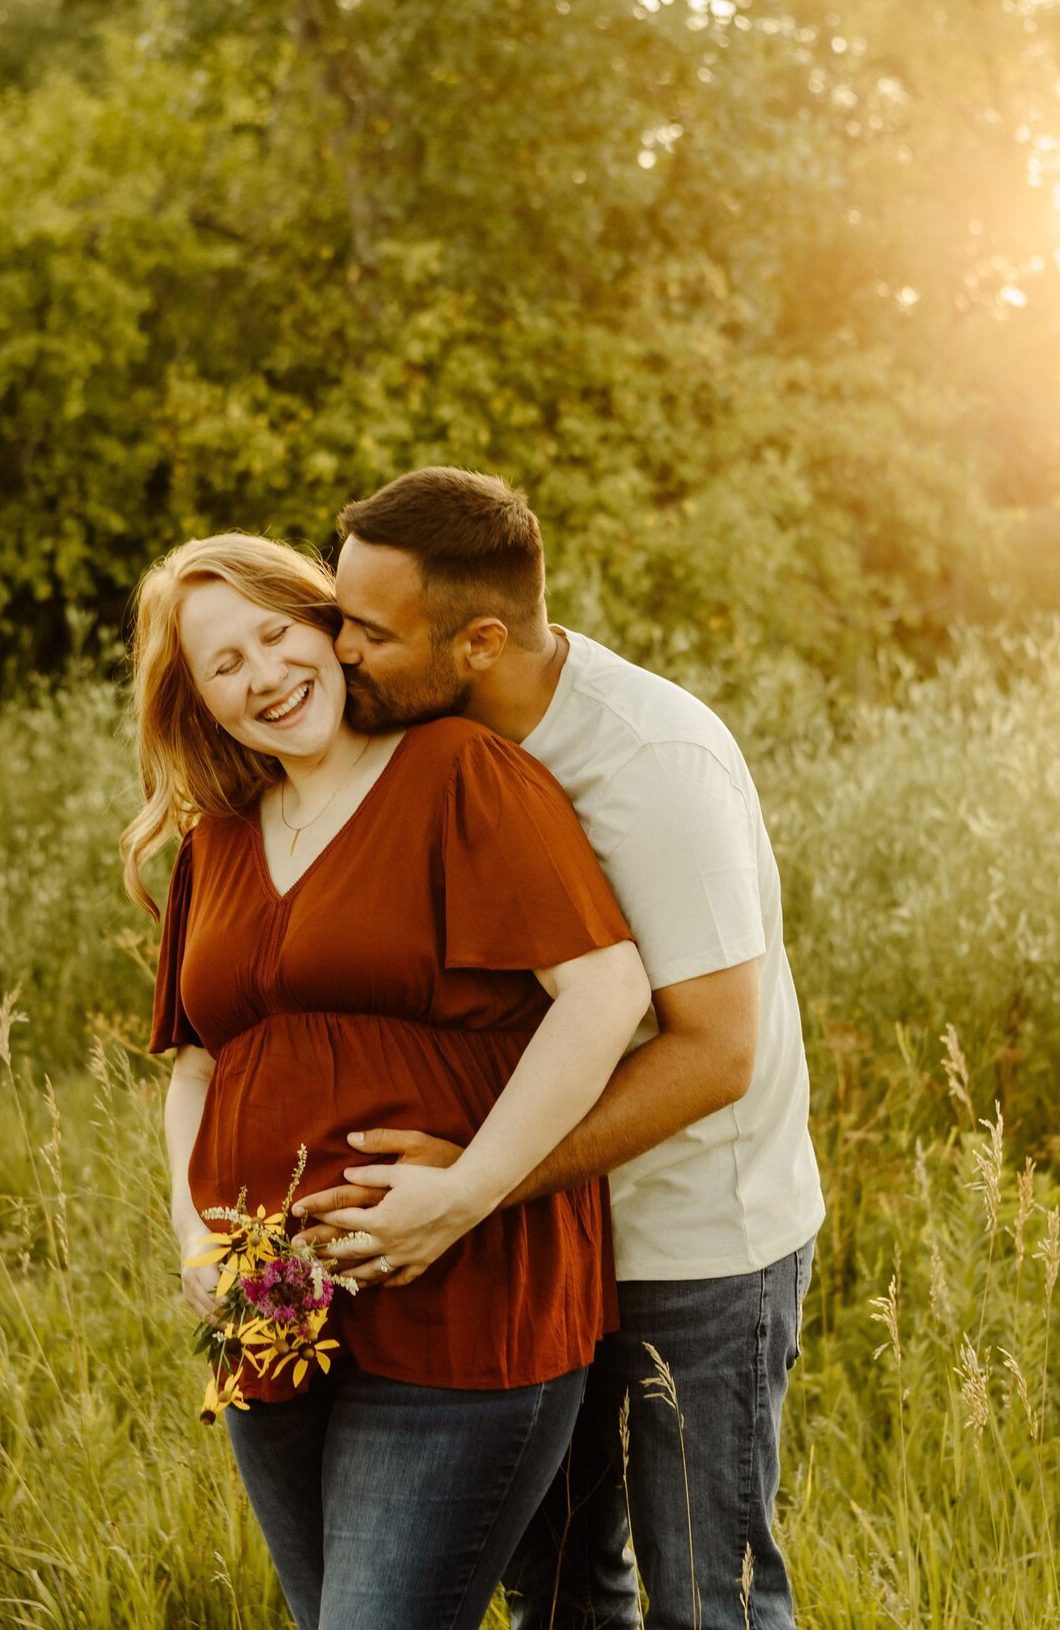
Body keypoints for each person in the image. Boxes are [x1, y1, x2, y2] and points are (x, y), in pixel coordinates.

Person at [291, 468, 825, 1630]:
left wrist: (473, 1187)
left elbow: (714, 1054)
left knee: (707, 1600)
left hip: (692, 1251)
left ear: (480, 638)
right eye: (339, 615)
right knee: (565, 1589)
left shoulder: (652, 766)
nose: (339, 652)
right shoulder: (435, 745)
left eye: (370, 632)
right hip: (544, 1244)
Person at [119, 530, 651, 1630]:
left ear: (327, 627)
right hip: (270, 1321)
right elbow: (197, 1068)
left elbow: (606, 993)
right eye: (224, 665)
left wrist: (467, 1192)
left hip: (462, 1298)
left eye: (277, 633)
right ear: (196, 701)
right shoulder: (214, 840)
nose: (264, 674)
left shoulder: (459, 774)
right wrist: (194, 1238)